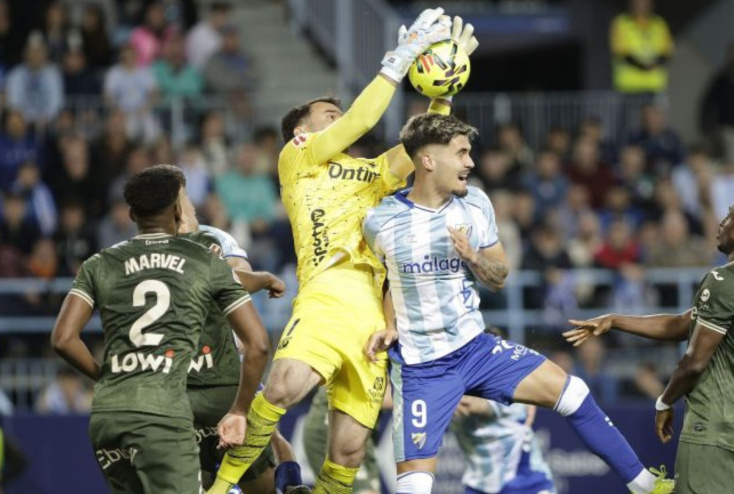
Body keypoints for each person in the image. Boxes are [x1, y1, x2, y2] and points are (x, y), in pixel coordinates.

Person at [205, 9, 462, 494]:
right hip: (324, 295)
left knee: (348, 451)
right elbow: (367, 115)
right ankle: (218, 491)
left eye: (339, 117)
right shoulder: (297, 158)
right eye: (329, 117)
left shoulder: (368, 173)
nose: (341, 122)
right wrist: (398, 60)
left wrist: (441, 96)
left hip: (371, 312)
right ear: (303, 132)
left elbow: (422, 152)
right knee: (281, 388)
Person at [362, 112, 673, 494]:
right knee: (414, 487)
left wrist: (474, 259)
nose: (470, 163)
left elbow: (501, 275)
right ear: (428, 160)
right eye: (461, 153)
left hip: (476, 348)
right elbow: (387, 280)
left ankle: (648, 487)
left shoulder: (474, 203)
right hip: (423, 368)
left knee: (572, 392)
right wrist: (390, 324)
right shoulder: (381, 220)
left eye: (470, 153)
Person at [51, 165, 270, 494]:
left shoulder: (99, 263)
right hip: (163, 412)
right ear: (179, 210)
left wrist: (105, 377)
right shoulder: (204, 261)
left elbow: (63, 339)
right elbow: (258, 345)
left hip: (107, 418)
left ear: (130, 214)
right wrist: (239, 409)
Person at [566, 185, 734, 494]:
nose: (721, 223)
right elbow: (683, 323)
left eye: (729, 216)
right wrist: (615, 320)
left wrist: (665, 399)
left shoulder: (724, 281)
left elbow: (695, 361)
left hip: (717, 428)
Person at [176, 193, 293, 494]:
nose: (192, 203)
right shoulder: (156, 250)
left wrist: (240, 328)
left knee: (266, 443)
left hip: (224, 367)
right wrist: (266, 279)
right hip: (183, 381)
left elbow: (240, 274)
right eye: (184, 198)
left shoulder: (214, 238)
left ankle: (291, 485)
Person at [451, 327, 556, 494]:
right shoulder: (455, 386)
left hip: (527, 483)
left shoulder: (511, 386)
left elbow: (476, 406)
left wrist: (442, 398)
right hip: (478, 485)